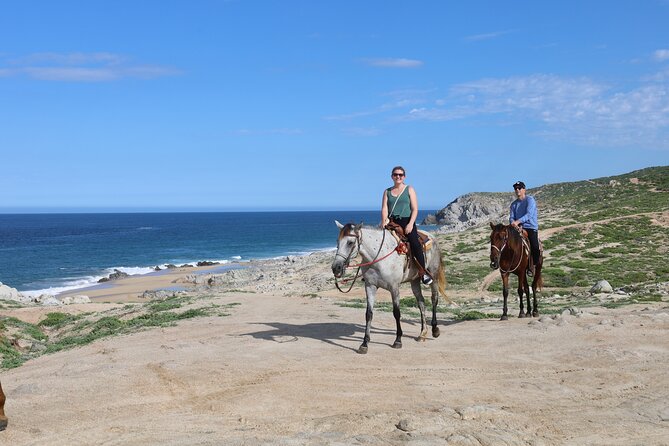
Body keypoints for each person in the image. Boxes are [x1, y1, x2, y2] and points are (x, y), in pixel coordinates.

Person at [381, 166, 433, 285]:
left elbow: (415, 209)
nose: (398, 176)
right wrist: (384, 221)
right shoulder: (387, 191)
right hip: (392, 222)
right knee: (379, 241)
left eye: (400, 175)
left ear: (404, 177)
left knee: (415, 243)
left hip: (407, 221)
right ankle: (373, 270)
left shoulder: (409, 189)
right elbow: (384, 208)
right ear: (392, 176)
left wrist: (410, 224)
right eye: (395, 174)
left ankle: (423, 272)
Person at [509, 180, 540, 276]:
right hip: (517, 228)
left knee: (535, 246)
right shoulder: (513, 204)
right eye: (515, 188)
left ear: (524, 189)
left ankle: (533, 265)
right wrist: (513, 223)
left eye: (519, 188)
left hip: (530, 227)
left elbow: (529, 214)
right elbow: (511, 217)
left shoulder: (530, 200)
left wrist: (518, 222)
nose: (517, 190)